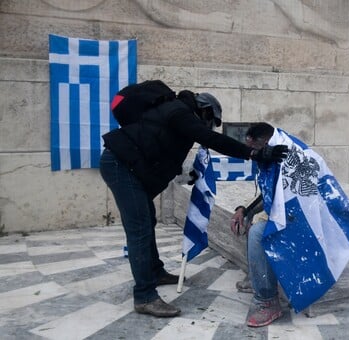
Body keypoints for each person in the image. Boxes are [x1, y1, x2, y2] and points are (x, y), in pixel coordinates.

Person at [99, 85, 288, 318]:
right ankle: (145, 296)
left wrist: (189, 175)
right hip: (121, 166)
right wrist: (253, 154)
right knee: (139, 228)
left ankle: (155, 271)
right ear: (205, 111)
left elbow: (161, 152)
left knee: (147, 219)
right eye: (211, 121)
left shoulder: (175, 116)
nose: (208, 126)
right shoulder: (179, 111)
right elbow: (209, 137)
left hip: (128, 167)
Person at [229, 122, 284, 327]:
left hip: (302, 221)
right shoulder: (269, 158)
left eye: (256, 150)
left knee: (259, 233)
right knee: (250, 221)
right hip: (283, 216)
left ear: (266, 142)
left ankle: (268, 301)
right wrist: (245, 210)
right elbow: (268, 194)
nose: (254, 155)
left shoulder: (286, 157)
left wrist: (263, 219)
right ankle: (256, 277)